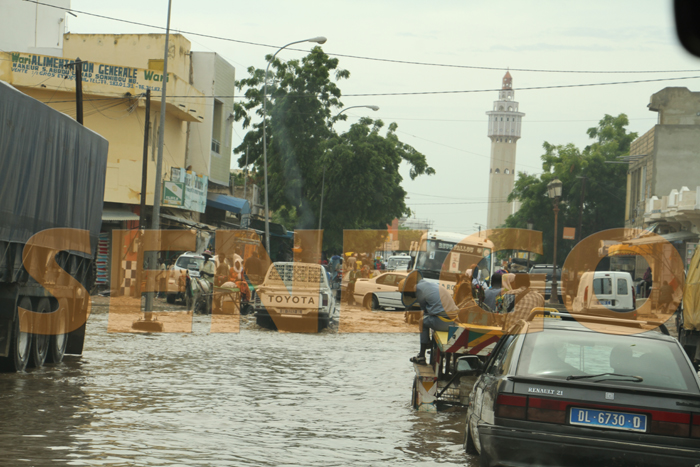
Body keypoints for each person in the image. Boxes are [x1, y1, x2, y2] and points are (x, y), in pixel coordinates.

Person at [402, 272, 460, 364]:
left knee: (422, 322)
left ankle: (421, 355)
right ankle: (428, 344)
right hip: (454, 321)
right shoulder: (430, 285)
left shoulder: (419, 289)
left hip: (443, 322)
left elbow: (424, 311)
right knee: (429, 319)